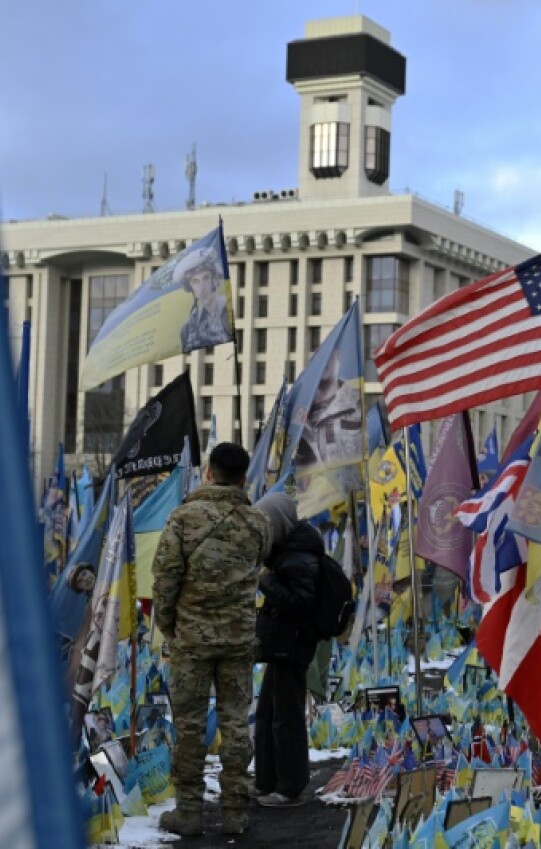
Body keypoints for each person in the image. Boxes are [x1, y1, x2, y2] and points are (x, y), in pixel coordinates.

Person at [152, 443, 270, 837]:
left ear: (208, 471)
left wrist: (168, 625)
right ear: (244, 477)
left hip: (192, 639)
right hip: (237, 638)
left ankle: (188, 812)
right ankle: (235, 811)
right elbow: (259, 563)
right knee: (236, 723)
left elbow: (166, 579)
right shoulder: (257, 522)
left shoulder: (183, 518)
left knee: (189, 725)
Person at [252, 492, 320, 808]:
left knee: (286, 717)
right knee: (268, 713)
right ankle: (267, 781)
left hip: (291, 645)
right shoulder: (287, 553)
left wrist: (266, 583)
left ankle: (289, 787)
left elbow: (301, 603)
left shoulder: (300, 557)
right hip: (280, 643)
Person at [176, 247, 232, 351]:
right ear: (190, 288)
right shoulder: (187, 329)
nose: (202, 287)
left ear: (214, 280)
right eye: (195, 281)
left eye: (206, 278)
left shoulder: (229, 311)